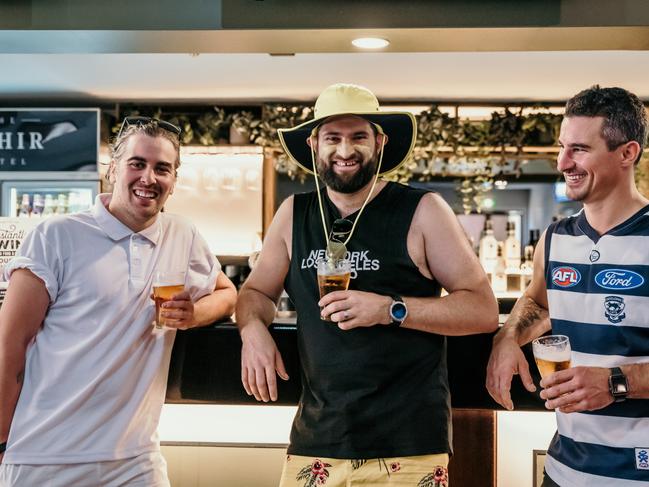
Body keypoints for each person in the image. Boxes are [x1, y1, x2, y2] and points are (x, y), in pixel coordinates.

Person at [236, 83, 498, 486]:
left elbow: (481, 310)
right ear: (313, 145)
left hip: (407, 446)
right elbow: (255, 293)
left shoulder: (422, 210)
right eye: (333, 138)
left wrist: (389, 308)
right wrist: (252, 329)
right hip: (316, 440)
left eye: (358, 136)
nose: (345, 151)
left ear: (379, 141)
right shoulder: (294, 213)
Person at [0, 117, 237, 486]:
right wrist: (1, 440)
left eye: (162, 168)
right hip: (44, 456)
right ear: (113, 169)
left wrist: (193, 314)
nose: (149, 178)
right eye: (137, 164)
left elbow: (228, 293)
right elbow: (10, 345)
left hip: (135, 460)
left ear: (173, 181)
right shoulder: (55, 236)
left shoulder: (182, 234)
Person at [486, 86, 649, 486]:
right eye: (562, 147)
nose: (562, 162)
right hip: (564, 471)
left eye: (579, 149)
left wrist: (616, 382)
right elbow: (538, 304)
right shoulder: (556, 237)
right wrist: (507, 338)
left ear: (627, 153)